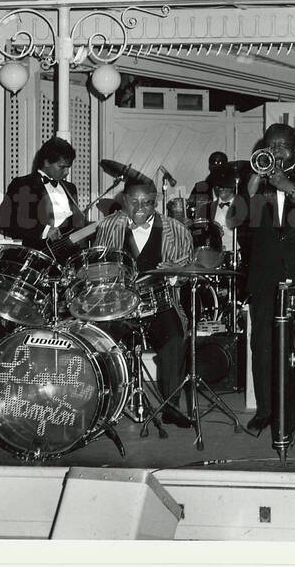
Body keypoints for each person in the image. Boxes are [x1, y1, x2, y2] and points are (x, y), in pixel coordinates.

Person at [236, 124, 295, 437]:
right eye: (271, 144)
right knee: (262, 347)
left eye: (283, 145)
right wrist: (254, 180)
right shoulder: (255, 176)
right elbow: (238, 219)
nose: (276, 150)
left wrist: (286, 185)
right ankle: (266, 410)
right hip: (266, 275)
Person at [94, 176, 194, 428]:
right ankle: (109, 405)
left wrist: (175, 273)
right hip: (120, 306)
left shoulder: (176, 230)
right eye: (135, 202)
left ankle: (171, 406)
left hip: (161, 303)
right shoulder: (108, 227)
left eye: (148, 203)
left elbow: (188, 272)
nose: (141, 209)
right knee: (101, 339)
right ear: (124, 201)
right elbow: (97, 268)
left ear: (156, 202)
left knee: (174, 338)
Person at [0, 137, 85, 251]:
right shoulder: (23, 184)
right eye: (62, 167)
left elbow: (73, 226)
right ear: (46, 162)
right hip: (38, 258)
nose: (67, 172)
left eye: (68, 167)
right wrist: (43, 230)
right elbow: (4, 222)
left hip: (69, 257)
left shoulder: (70, 188)